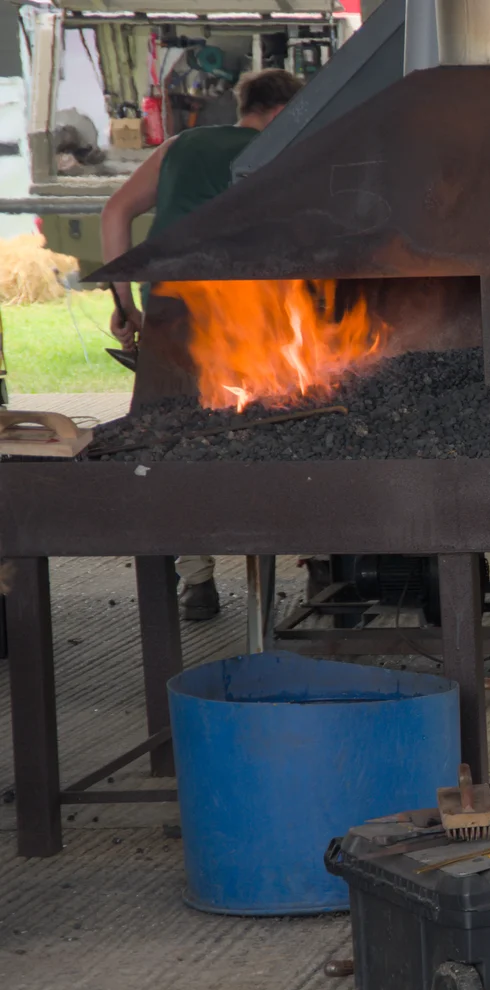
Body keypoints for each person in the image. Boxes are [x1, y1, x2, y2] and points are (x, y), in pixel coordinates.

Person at [100, 68, 303, 622]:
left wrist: (125, 305)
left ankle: (197, 580)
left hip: (168, 307)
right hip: (245, 316)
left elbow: (116, 211)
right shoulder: (282, 147)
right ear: (282, 111)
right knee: (281, 426)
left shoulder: (179, 146)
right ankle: (305, 557)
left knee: (172, 434)